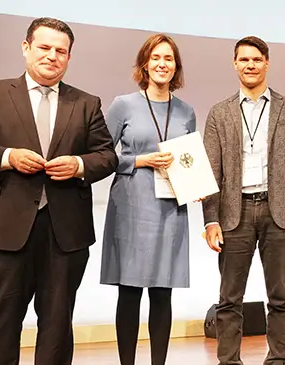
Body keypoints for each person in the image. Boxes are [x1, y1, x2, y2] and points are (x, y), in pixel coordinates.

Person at [0, 17, 117, 364]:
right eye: (44, 47)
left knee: (57, 327)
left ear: (69, 58)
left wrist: (79, 165)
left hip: (65, 234)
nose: (52, 56)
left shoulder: (86, 103)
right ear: (26, 48)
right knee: (1, 323)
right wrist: (8, 157)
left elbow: (107, 156)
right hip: (5, 232)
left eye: (61, 51)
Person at [202, 35, 285, 365]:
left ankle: (278, 359)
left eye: (256, 59)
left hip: (279, 214)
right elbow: (210, 172)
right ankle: (229, 361)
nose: (250, 65)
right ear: (235, 64)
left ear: (267, 63)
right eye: (244, 60)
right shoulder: (219, 113)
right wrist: (210, 220)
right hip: (233, 214)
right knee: (229, 298)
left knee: (281, 296)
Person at [99, 33, 197, 365]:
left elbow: (189, 161)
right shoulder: (123, 104)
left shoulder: (186, 111)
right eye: (155, 57)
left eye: (168, 58)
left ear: (176, 66)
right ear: (145, 63)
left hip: (170, 209)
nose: (161, 64)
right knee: (128, 292)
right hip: (130, 207)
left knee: (162, 292)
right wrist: (139, 160)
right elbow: (101, 156)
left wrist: (194, 184)